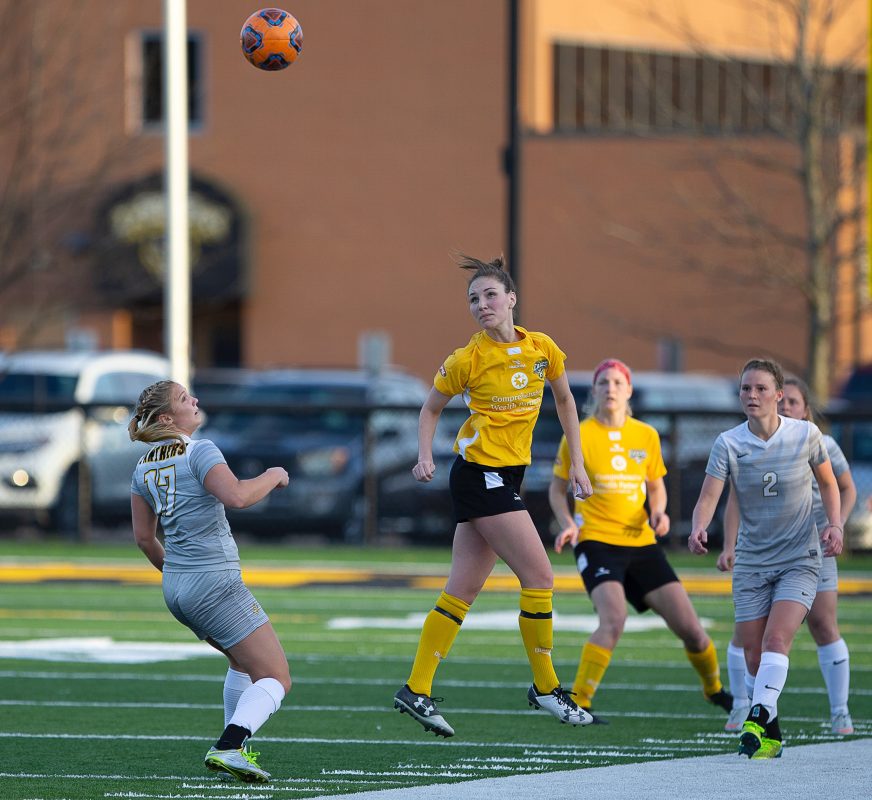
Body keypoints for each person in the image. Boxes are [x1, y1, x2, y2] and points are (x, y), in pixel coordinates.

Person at [393, 253, 595, 737]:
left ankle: (416, 688)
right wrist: (426, 455)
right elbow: (429, 409)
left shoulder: (542, 348)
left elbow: (566, 400)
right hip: (480, 475)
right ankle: (545, 687)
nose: (481, 305)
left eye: (489, 295)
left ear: (511, 299)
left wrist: (580, 464)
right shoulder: (468, 358)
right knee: (540, 574)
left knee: (462, 590)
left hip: (506, 476)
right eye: (472, 299)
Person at [549, 358, 733, 724]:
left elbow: (655, 486)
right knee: (613, 620)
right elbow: (557, 490)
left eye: (618, 382)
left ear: (629, 390)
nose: (611, 389)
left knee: (693, 632)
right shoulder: (579, 433)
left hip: (641, 543)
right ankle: (580, 703)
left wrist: (660, 512)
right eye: (604, 383)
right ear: (595, 391)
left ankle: (714, 689)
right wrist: (568, 522)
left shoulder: (645, 435)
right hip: (597, 542)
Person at [129, 380, 291, 783]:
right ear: (167, 418)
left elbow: (144, 539)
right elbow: (236, 496)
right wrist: (273, 475)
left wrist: (178, 576)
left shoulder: (143, 466)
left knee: (239, 661)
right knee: (276, 677)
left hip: (176, 588)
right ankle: (230, 746)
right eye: (185, 398)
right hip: (213, 582)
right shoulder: (200, 450)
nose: (195, 400)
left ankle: (233, 753)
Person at [689, 358, 842, 759]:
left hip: (800, 557)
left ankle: (757, 714)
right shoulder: (729, 443)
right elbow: (710, 496)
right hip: (753, 560)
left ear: (778, 395)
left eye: (760, 389)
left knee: (778, 639)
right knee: (754, 653)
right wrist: (698, 527)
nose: (752, 396)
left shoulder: (806, 434)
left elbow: (829, 483)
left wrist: (836, 525)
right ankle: (771, 734)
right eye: (745, 389)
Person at [718, 374, 856, 735]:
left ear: (804, 408)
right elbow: (734, 499)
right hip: (761, 551)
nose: (787, 407)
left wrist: (835, 524)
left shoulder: (817, 440)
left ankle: (839, 710)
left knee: (822, 625)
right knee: (750, 638)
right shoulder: (748, 442)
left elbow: (843, 487)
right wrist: (729, 545)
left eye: (794, 401)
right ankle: (749, 709)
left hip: (812, 547)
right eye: (785, 401)